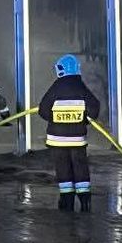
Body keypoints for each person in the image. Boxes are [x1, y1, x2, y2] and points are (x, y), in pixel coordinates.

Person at [37, 54, 100, 212]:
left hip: (57, 140)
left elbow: (43, 110)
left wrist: (55, 119)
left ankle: (67, 201)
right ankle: (85, 202)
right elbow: (94, 108)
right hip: (77, 139)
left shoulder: (56, 86)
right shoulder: (81, 87)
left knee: (63, 167)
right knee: (80, 167)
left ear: (60, 70)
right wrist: (84, 119)